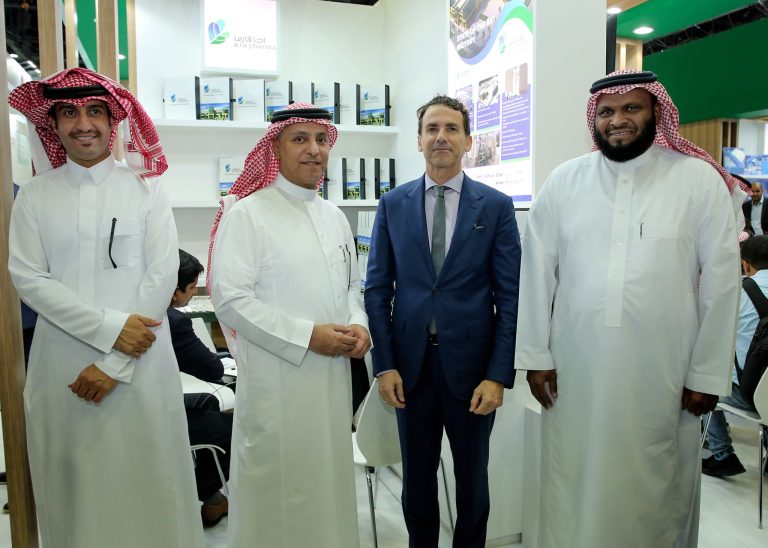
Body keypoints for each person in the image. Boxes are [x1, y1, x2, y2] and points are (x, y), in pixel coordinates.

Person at [515, 69, 742, 547]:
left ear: (656, 111)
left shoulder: (697, 181)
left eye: (631, 108)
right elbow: (535, 272)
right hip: (575, 370)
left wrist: (706, 373)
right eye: (607, 111)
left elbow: (721, 284)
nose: (617, 120)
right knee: (572, 478)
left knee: (657, 485)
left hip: (665, 371)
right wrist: (535, 356)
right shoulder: (564, 181)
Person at [7, 68, 204, 547]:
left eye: (95, 111)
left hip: (140, 367)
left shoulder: (146, 188)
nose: (83, 124)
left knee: (148, 490)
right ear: (53, 124)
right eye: (69, 113)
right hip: (63, 368)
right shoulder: (35, 195)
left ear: (113, 120)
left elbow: (161, 276)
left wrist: (114, 362)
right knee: (73, 494)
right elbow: (28, 278)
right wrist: (111, 329)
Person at [208, 103, 371, 548]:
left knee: (326, 486)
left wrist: (359, 324)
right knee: (277, 492)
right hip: (276, 385)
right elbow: (230, 300)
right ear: (275, 149)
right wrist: (308, 336)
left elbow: (352, 287)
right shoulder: (248, 214)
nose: (313, 150)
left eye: (320, 140)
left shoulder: (334, 216)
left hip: (331, 384)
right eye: (299, 139)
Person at [364, 94, 521, 548]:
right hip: (409, 372)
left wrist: (498, 375)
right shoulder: (393, 204)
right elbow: (377, 290)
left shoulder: (495, 207)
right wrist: (385, 365)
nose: (441, 137)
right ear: (418, 140)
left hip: (473, 373)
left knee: (473, 485)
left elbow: (510, 298)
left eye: (452, 128)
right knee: (416, 485)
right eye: (432, 129)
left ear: (468, 141)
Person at [168, 249, 233, 526]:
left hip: (148, 401)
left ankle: (213, 499)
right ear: (175, 292)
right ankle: (201, 490)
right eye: (193, 287)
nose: (195, 293)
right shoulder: (173, 321)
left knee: (208, 401)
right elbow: (211, 369)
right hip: (156, 412)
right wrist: (225, 358)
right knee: (234, 429)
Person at [703, 235, 768, 477]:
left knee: (705, 383)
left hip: (748, 395)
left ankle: (722, 454)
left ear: (745, 264)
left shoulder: (739, 292)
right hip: (765, 396)